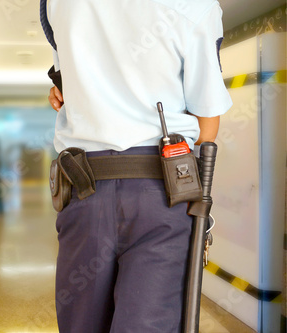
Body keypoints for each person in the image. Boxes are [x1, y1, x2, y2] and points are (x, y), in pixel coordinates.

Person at [42, 0, 232, 332]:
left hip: (84, 188)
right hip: (161, 193)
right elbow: (207, 127)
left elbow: (67, 88)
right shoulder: (197, 5)